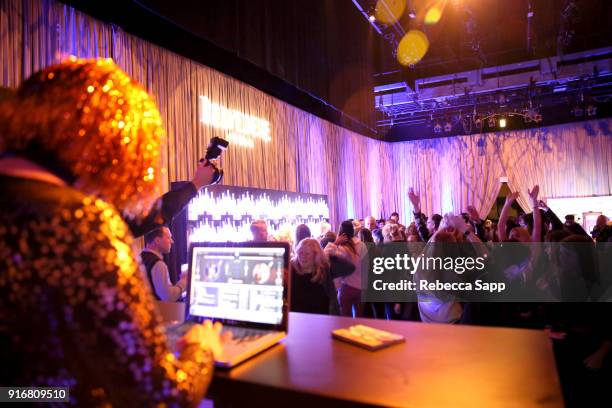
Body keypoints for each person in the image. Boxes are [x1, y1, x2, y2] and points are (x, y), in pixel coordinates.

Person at [0, 58, 224, 406]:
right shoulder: (81, 222)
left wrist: (194, 185)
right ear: (97, 140)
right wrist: (201, 349)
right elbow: (163, 397)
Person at [141, 226, 186, 301]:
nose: (172, 241)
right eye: (168, 238)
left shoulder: (140, 257)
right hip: (159, 311)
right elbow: (167, 296)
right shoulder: (158, 264)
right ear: (157, 240)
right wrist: (184, 281)